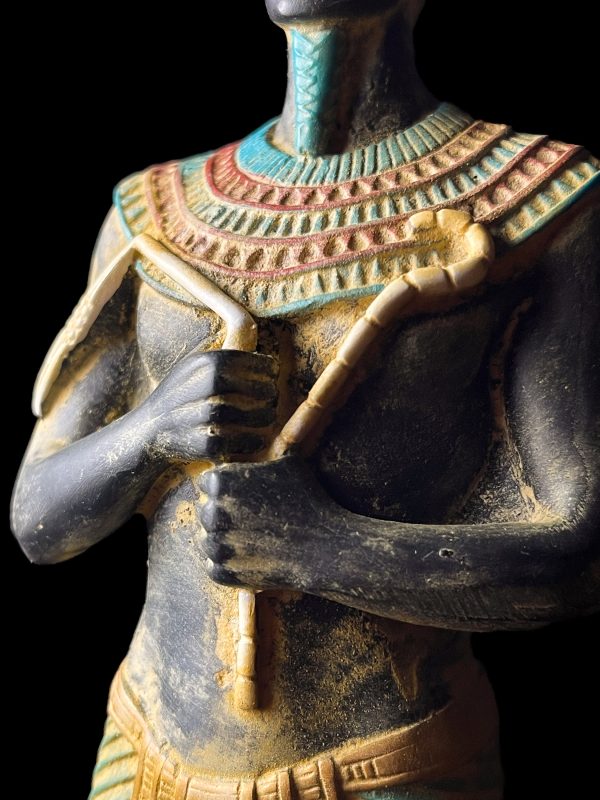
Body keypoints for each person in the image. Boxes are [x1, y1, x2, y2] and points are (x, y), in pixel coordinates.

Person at [11, 1, 599, 798]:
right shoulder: (154, 211)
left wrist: (322, 547)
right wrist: (148, 432)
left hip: (386, 769)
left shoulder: (536, 199)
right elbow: (37, 520)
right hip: (144, 755)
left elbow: (576, 558)